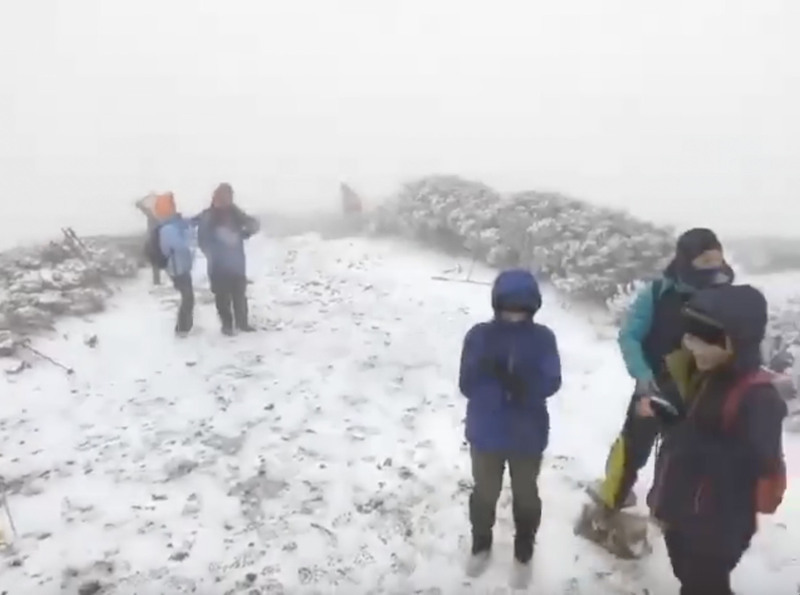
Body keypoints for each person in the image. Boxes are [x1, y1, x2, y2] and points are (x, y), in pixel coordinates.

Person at [578, 228, 735, 556]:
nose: (713, 266)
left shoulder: (728, 297)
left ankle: (665, 516)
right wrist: (644, 378)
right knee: (631, 448)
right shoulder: (659, 293)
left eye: (716, 258)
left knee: (678, 460)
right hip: (654, 390)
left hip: (699, 397)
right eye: (704, 259)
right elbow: (630, 335)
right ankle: (611, 500)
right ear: (684, 258)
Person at [648, 284, 787, 595]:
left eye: (707, 340)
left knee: (703, 585)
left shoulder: (758, 398)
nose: (694, 347)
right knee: (685, 572)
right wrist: (671, 420)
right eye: (691, 335)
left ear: (738, 342)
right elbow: (698, 431)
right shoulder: (706, 375)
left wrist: (690, 439)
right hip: (683, 510)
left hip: (718, 524)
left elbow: (757, 462)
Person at [458, 268, 562, 586]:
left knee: (527, 496)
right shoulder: (479, 335)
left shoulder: (543, 338)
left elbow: (552, 379)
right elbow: (466, 383)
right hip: (486, 431)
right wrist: (495, 384)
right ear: (497, 304)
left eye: (522, 308)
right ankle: (481, 544)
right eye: (508, 307)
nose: (514, 314)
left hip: (527, 433)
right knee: (484, 493)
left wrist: (523, 386)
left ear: (533, 307)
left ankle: (524, 550)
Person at [196, 183, 260, 335]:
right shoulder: (208, 216)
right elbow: (202, 240)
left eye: (229, 196)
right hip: (218, 265)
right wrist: (214, 251)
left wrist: (246, 231)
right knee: (222, 297)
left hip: (236, 263)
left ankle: (242, 323)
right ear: (216, 197)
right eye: (224, 196)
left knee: (239, 295)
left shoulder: (234, 212)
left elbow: (252, 224)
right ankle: (227, 326)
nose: (227, 199)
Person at [154, 193, 195, 336]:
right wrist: (188, 234)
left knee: (188, 297)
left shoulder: (171, 225)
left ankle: (185, 326)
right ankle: (182, 328)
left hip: (181, 266)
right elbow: (180, 246)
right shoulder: (168, 229)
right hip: (177, 268)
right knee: (188, 298)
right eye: (171, 205)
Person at [134, 194, 162, 285]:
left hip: (154, 239)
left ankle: (157, 281)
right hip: (156, 239)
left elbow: (146, 211)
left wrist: (140, 205)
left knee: (155, 262)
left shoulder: (154, 216)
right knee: (156, 262)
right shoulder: (158, 216)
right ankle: (157, 281)